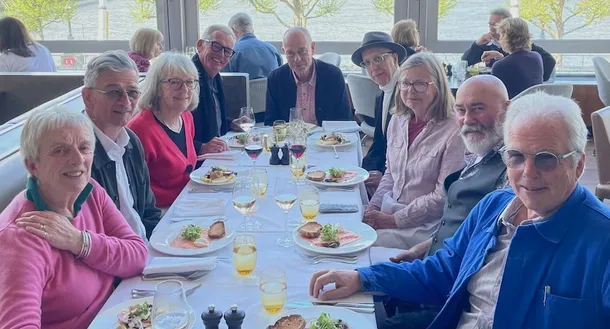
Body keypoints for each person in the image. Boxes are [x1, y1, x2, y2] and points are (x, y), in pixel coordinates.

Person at [310, 92, 610, 329]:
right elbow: (441, 272)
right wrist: (362, 278)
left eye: (545, 159)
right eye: (516, 156)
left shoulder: (602, 242)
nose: (527, 172)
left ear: (579, 164)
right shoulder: (493, 208)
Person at [0, 107, 147, 329]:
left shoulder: (90, 191)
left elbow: (137, 256)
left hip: (124, 316)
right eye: (60, 150)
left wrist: (80, 242)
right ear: (33, 165)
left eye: (84, 147)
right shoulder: (20, 236)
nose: (78, 159)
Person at [382, 75, 510, 329]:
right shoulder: (479, 154)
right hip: (432, 266)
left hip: (452, 293)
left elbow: (487, 251)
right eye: (461, 110)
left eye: (478, 109)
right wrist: (420, 250)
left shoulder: (510, 171)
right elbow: (465, 227)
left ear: (507, 109)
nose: (468, 119)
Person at [363, 53, 465, 249]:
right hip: (390, 208)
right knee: (346, 224)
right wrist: (373, 207)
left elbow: (441, 198)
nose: (410, 91)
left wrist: (392, 220)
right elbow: (391, 174)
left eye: (420, 84)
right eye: (405, 83)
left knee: (363, 245)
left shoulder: (454, 130)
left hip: (424, 227)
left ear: (438, 86)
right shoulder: (398, 119)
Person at [83, 50, 162, 241]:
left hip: (145, 251)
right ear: (88, 98)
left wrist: (163, 249)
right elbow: (90, 239)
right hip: (116, 265)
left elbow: (149, 213)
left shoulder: (132, 142)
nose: (126, 101)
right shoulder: (79, 154)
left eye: (132, 92)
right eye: (113, 92)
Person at [128, 52, 199, 208]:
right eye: (175, 82)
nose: (185, 89)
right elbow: (134, 193)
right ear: (157, 87)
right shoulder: (139, 129)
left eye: (189, 82)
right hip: (161, 213)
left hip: (188, 200)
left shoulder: (186, 117)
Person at [351, 32, 406, 195]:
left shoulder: (408, 94)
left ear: (395, 58)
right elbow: (379, 144)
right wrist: (363, 172)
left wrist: (384, 177)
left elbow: (410, 153)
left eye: (378, 58)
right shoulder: (381, 95)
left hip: (403, 184)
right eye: (367, 62)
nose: (373, 68)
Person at [264, 27, 351, 126]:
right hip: (290, 139)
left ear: (312, 48)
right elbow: (271, 123)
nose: (297, 59)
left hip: (326, 138)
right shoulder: (275, 79)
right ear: (284, 52)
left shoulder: (333, 76)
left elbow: (345, 119)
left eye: (302, 51)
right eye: (290, 53)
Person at [461, 8, 555, 82]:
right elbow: (464, 63)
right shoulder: (486, 43)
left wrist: (539, 80)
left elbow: (549, 61)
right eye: (490, 24)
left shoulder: (527, 48)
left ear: (508, 27)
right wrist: (477, 44)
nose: (492, 28)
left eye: (496, 25)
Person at [192, 24, 245, 155]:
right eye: (216, 46)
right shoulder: (188, 80)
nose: (221, 54)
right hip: (197, 161)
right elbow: (172, 133)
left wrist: (231, 123)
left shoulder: (214, 77)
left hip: (218, 152)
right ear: (200, 45)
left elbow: (210, 116)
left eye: (227, 51)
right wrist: (201, 147)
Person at [491, 17, 543, 98]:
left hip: (512, 108)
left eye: (501, 35)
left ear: (506, 37)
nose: (499, 39)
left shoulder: (500, 66)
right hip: (534, 105)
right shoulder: (536, 57)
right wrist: (501, 58)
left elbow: (495, 96)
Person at [224, 12, 282, 79]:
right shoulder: (273, 50)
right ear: (253, 29)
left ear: (232, 31)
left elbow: (225, 82)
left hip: (243, 89)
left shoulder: (232, 53)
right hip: (271, 89)